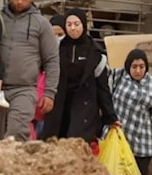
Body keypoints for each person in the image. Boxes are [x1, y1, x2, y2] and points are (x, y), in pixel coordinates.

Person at [0, 0, 60, 142]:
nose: (19, 1)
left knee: (17, 134)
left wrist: (49, 93)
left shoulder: (41, 24)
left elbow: (52, 60)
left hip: (24, 89)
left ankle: (16, 166)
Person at [40, 8, 119, 144]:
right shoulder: (56, 48)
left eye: (77, 24)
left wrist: (110, 116)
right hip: (59, 105)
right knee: (52, 146)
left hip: (84, 107)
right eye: (69, 24)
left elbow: (103, 88)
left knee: (76, 146)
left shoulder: (95, 53)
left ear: (83, 25)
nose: (73, 28)